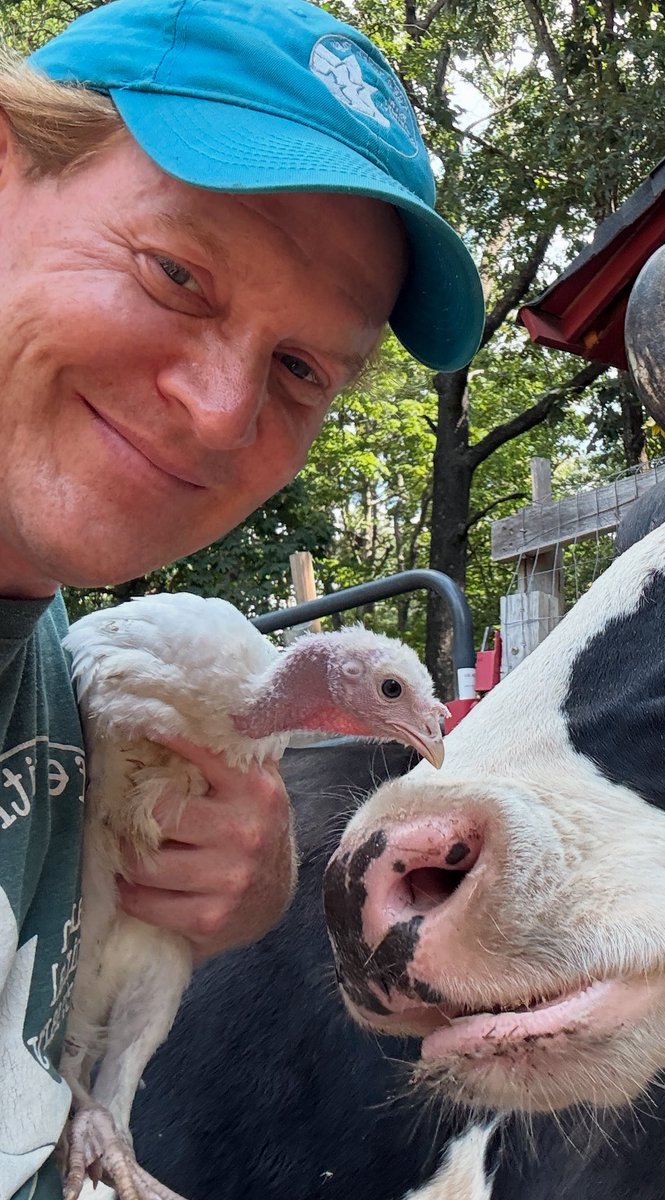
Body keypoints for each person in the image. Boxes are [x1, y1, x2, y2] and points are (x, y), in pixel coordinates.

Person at [0, 1, 484, 1195]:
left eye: (302, 368)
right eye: (175, 271)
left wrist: (252, 884)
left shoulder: (52, 660)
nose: (221, 412)